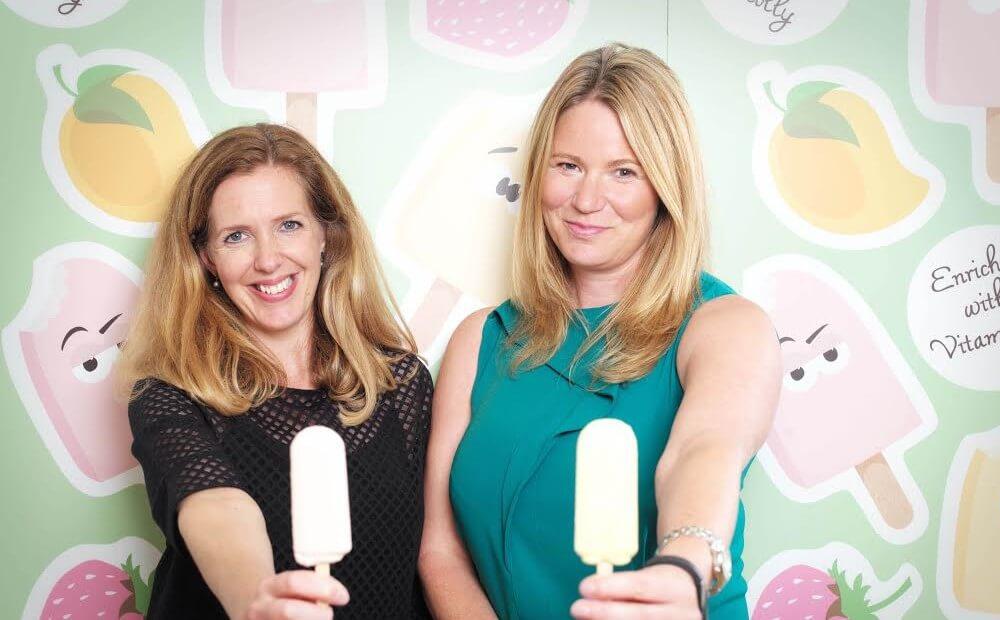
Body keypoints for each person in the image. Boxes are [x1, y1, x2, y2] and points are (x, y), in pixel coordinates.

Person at [419, 44, 781, 619]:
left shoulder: (726, 326)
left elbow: (702, 450)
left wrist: (685, 564)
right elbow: (441, 551)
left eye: (623, 172)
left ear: (665, 186)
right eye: (568, 166)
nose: (587, 200)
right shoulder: (478, 341)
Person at [119, 123, 432, 619]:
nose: (268, 260)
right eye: (237, 236)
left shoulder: (402, 385)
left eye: (289, 225)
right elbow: (216, 507)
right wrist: (257, 602)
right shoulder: (172, 396)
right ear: (206, 258)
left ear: (326, 235)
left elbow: (426, 559)